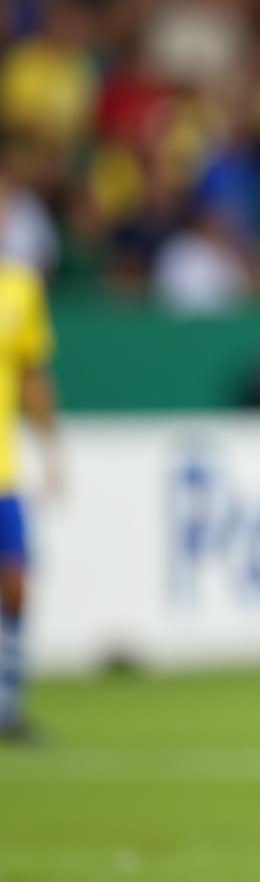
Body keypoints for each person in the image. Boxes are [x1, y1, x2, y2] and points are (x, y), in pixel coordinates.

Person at [0, 203, 59, 742]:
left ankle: (8, 705)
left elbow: (32, 377)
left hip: (5, 470)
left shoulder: (20, 288)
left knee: (15, 583)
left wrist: (51, 452)